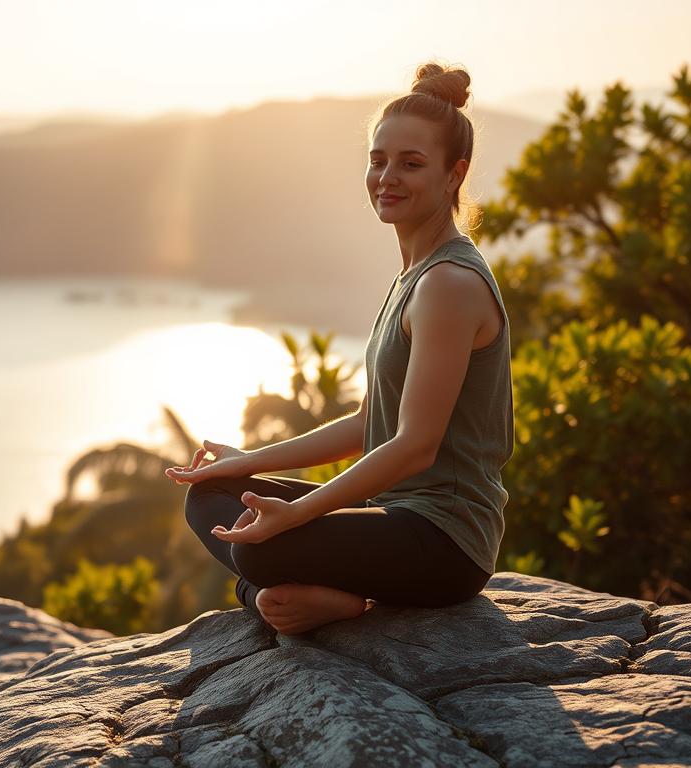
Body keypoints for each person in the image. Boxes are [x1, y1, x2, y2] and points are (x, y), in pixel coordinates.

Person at [165, 62, 514, 636]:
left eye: (411, 164)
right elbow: (367, 422)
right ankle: (292, 596)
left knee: (259, 549)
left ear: (455, 174)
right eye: (378, 161)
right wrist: (245, 462)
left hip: (445, 542)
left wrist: (299, 514)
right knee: (211, 494)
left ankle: (292, 596)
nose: (387, 177)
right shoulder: (415, 275)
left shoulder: (449, 285)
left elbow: (415, 447)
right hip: (393, 519)